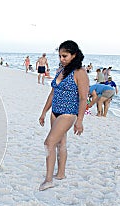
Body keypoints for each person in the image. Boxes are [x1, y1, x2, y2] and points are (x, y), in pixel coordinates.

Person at [38, 40, 89, 191]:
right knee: (60, 143)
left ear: (74, 55)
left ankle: (48, 180)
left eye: (65, 56)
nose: (62, 59)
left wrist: (79, 121)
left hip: (68, 113)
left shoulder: (80, 72)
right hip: (55, 112)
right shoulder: (61, 70)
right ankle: (60, 174)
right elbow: (53, 92)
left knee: (49, 143)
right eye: (60, 56)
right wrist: (44, 112)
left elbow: (83, 98)